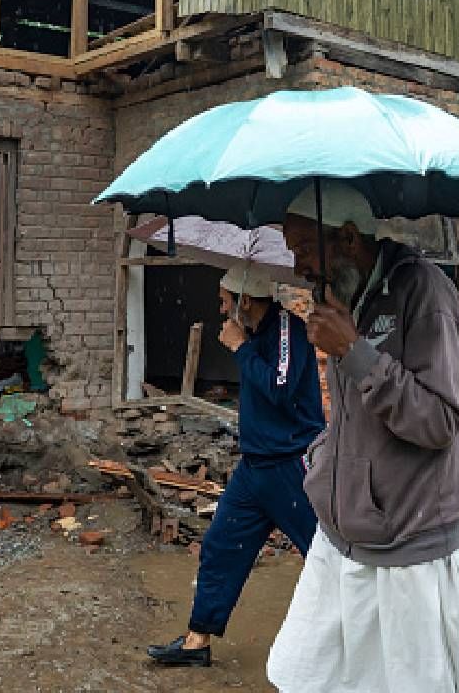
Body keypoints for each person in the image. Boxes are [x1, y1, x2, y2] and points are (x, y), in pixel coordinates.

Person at [267, 181, 459, 692]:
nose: (298, 267)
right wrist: (325, 461)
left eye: (303, 249)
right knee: (302, 676)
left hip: (407, 548)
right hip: (341, 536)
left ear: (346, 237)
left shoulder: (425, 293)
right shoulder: (346, 295)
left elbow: (439, 423)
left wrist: (356, 352)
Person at [147, 262, 326, 668]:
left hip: (289, 468)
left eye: (225, 301)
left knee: (322, 555)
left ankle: (361, 640)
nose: (222, 309)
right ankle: (196, 642)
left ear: (246, 301)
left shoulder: (287, 330)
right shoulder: (256, 333)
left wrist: (240, 348)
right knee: (221, 547)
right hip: (255, 468)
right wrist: (244, 344)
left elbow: (279, 391)